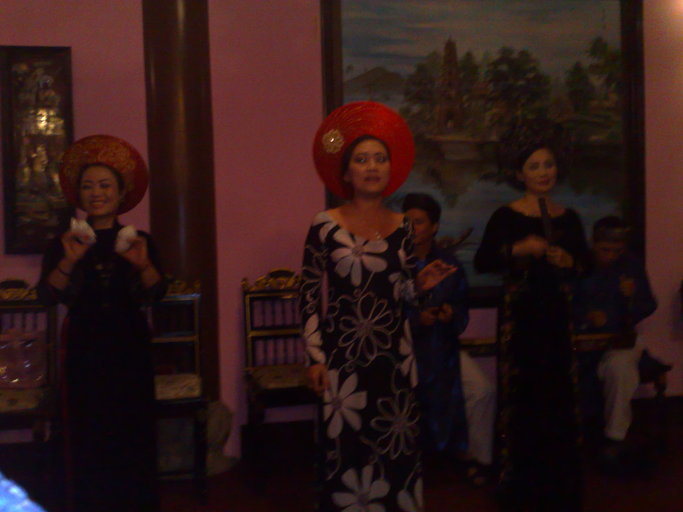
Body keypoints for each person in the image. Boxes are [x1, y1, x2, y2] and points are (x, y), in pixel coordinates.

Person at [301, 101, 456, 512]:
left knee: (396, 446)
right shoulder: (324, 224)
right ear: (346, 172)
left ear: (391, 169)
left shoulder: (403, 226)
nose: (372, 167)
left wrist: (420, 285)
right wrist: (315, 357)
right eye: (362, 159)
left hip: (395, 356)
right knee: (346, 451)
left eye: (380, 159)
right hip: (343, 355)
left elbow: (402, 293)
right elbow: (309, 294)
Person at [38, 135, 166, 512]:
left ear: (121, 192)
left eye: (105, 185)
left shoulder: (138, 240)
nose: (97, 193)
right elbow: (47, 296)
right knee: (87, 434)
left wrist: (143, 264)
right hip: (84, 349)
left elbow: (158, 293)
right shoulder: (65, 241)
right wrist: (69, 260)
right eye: (88, 186)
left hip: (130, 349)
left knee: (132, 431)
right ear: (78, 194)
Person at [474, 121, 587, 511]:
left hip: (558, 320)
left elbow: (586, 265)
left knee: (559, 398)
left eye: (548, 165)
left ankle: (560, 488)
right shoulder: (505, 217)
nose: (543, 172)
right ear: (520, 174)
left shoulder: (569, 217)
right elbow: (483, 260)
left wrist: (569, 260)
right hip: (521, 322)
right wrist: (518, 249)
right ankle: (519, 489)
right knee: (522, 400)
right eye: (534, 166)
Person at [401, 193, 495, 484]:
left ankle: (477, 457)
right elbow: (383, 312)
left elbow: (462, 307)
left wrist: (450, 313)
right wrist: (416, 319)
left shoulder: (449, 263)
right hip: (404, 351)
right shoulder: (394, 263)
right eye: (407, 222)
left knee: (481, 389)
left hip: (443, 348)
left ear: (435, 226)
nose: (412, 228)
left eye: (419, 222)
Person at [573, 216, 657, 462]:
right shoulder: (579, 264)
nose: (611, 256)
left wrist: (632, 297)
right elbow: (563, 301)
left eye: (617, 251)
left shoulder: (631, 265)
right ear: (594, 243)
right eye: (605, 250)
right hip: (583, 340)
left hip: (620, 338)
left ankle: (615, 437)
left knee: (620, 369)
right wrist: (587, 316)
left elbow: (648, 305)